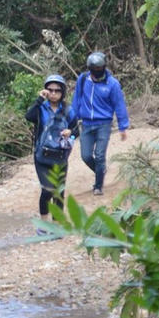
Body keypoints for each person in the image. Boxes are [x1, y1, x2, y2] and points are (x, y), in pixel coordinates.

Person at [70, 51, 129, 196]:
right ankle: (101, 170)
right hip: (86, 124)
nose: (95, 72)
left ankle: (98, 186)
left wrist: (123, 126)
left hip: (104, 123)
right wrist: (71, 121)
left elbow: (119, 105)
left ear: (104, 67)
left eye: (98, 69)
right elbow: (76, 100)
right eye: (93, 69)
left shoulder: (112, 84)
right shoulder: (83, 79)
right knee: (86, 156)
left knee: (100, 155)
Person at [25, 74, 77, 229]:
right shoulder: (40, 108)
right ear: (45, 90)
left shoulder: (68, 110)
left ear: (62, 92)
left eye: (57, 90)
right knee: (47, 189)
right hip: (42, 157)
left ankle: (56, 225)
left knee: (59, 192)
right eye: (50, 90)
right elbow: (29, 116)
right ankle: (43, 223)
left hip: (60, 156)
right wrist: (40, 99)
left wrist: (70, 132)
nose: (53, 93)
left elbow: (76, 130)